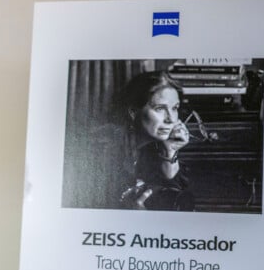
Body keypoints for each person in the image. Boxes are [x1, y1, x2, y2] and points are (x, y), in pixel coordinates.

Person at [70, 70, 192, 211]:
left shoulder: (156, 144)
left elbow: (172, 195)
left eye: (175, 108)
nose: (171, 119)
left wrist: (170, 151)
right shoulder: (102, 147)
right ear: (133, 112)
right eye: (160, 109)